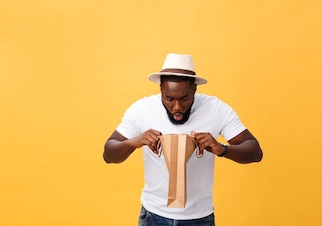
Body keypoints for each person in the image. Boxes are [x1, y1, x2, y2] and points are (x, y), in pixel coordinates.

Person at [103, 53, 263, 226]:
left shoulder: (216, 109)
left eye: (185, 99)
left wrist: (221, 149)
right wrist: (133, 142)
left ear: (194, 89)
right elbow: (108, 154)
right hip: (153, 216)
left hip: (200, 218)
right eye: (169, 99)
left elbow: (255, 152)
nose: (177, 107)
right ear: (161, 90)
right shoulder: (142, 110)